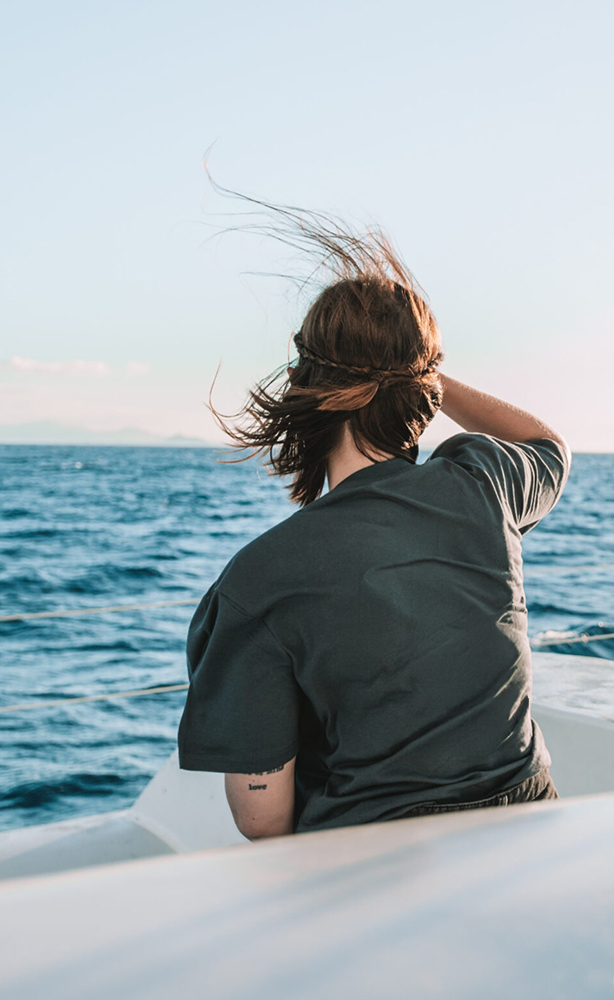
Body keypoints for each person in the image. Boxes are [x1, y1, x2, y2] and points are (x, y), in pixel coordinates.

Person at [177, 209, 568, 839]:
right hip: (528, 844)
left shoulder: (257, 579)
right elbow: (547, 444)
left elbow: (262, 820)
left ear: (305, 383)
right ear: (424, 391)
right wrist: (430, 376)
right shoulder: (483, 486)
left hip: (374, 879)